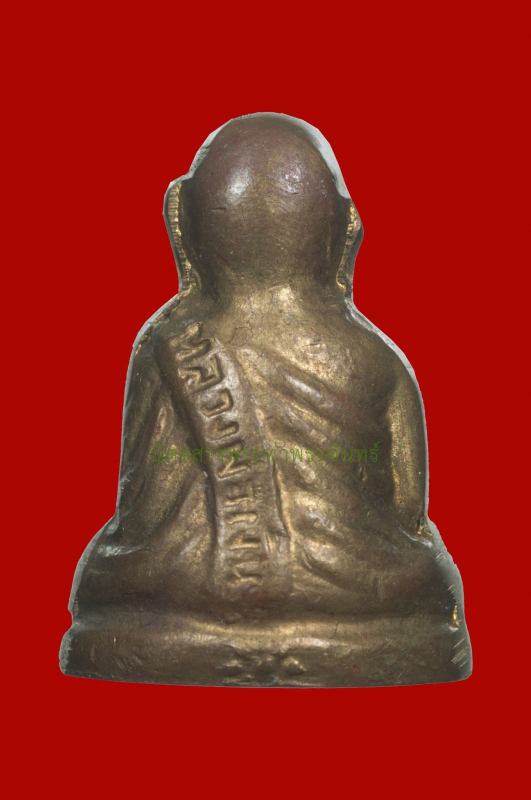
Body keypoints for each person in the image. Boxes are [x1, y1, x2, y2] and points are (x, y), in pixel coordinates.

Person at [61, 113, 471, 686]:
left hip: (188, 590)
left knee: (107, 568)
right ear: (345, 230)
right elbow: (406, 512)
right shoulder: (377, 357)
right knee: (427, 569)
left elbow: (141, 516)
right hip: (354, 593)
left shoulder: (164, 343)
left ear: (185, 229)